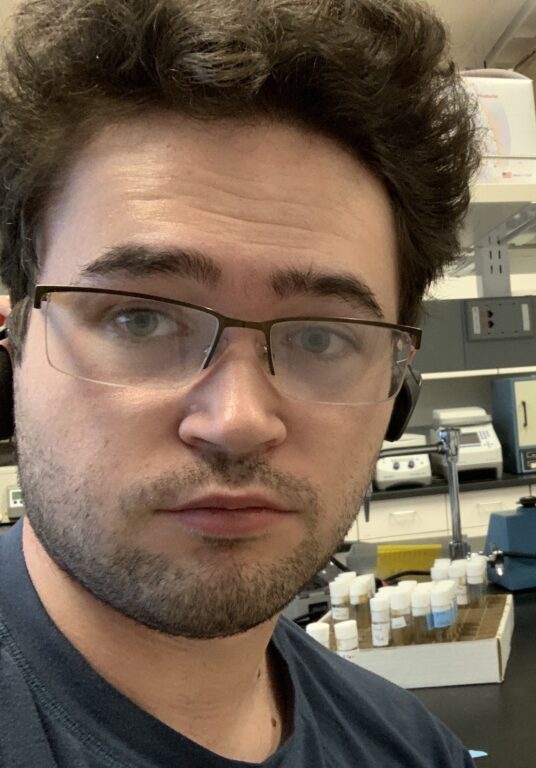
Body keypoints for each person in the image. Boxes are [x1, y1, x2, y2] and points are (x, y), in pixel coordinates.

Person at [0, 0, 480, 765]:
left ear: (397, 393)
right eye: (141, 320)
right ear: (15, 339)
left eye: (321, 336)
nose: (237, 420)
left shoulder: (413, 749)